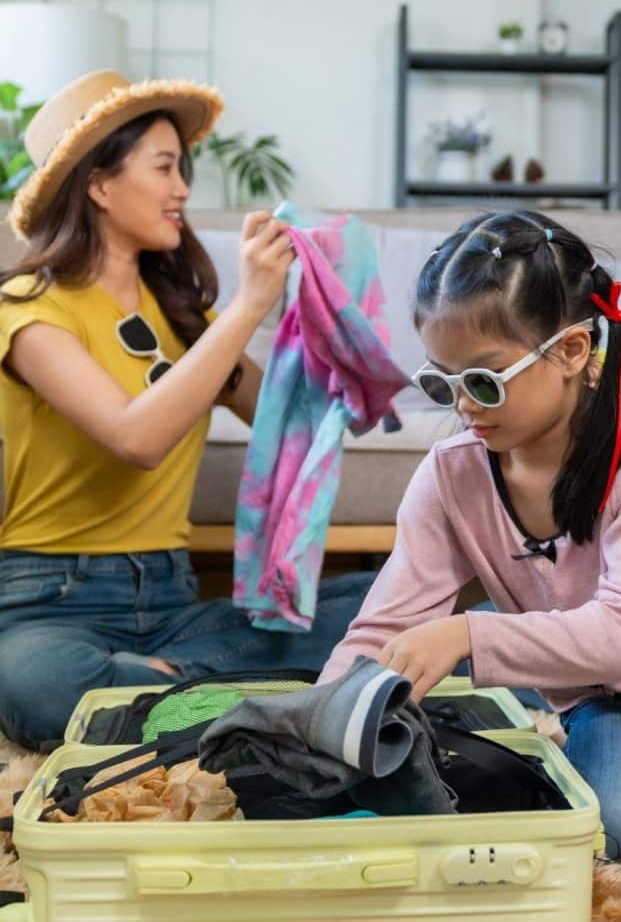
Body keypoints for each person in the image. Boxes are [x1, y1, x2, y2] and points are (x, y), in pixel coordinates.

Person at [318, 210, 621, 875]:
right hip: (598, 691)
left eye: (483, 380)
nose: (463, 406)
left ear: (571, 351)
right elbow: (385, 625)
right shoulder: (451, 475)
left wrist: (466, 634)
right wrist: (321, 719)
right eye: (441, 382)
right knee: (607, 830)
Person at [0, 70, 372, 750]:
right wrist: (247, 305)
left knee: (390, 604)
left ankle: (161, 687)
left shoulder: (183, 315)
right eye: (164, 168)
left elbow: (294, 424)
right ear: (99, 184)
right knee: (34, 683)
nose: (182, 190)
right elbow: (136, 437)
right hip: (53, 604)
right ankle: (251, 695)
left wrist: (314, 304)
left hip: (175, 607)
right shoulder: (28, 310)